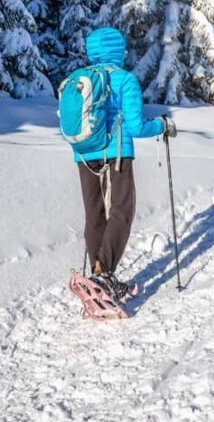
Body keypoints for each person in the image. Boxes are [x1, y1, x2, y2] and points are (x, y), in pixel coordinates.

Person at [72, 26, 176, 302]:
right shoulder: (125, 80)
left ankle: (98, 276)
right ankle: (103, 275)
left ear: (93, 52)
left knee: (94, 214)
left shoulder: (79, 80)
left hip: (83, 154)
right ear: (119, 51)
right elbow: (137, 127)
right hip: (117, 153)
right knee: (121, 211)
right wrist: (162, 125)